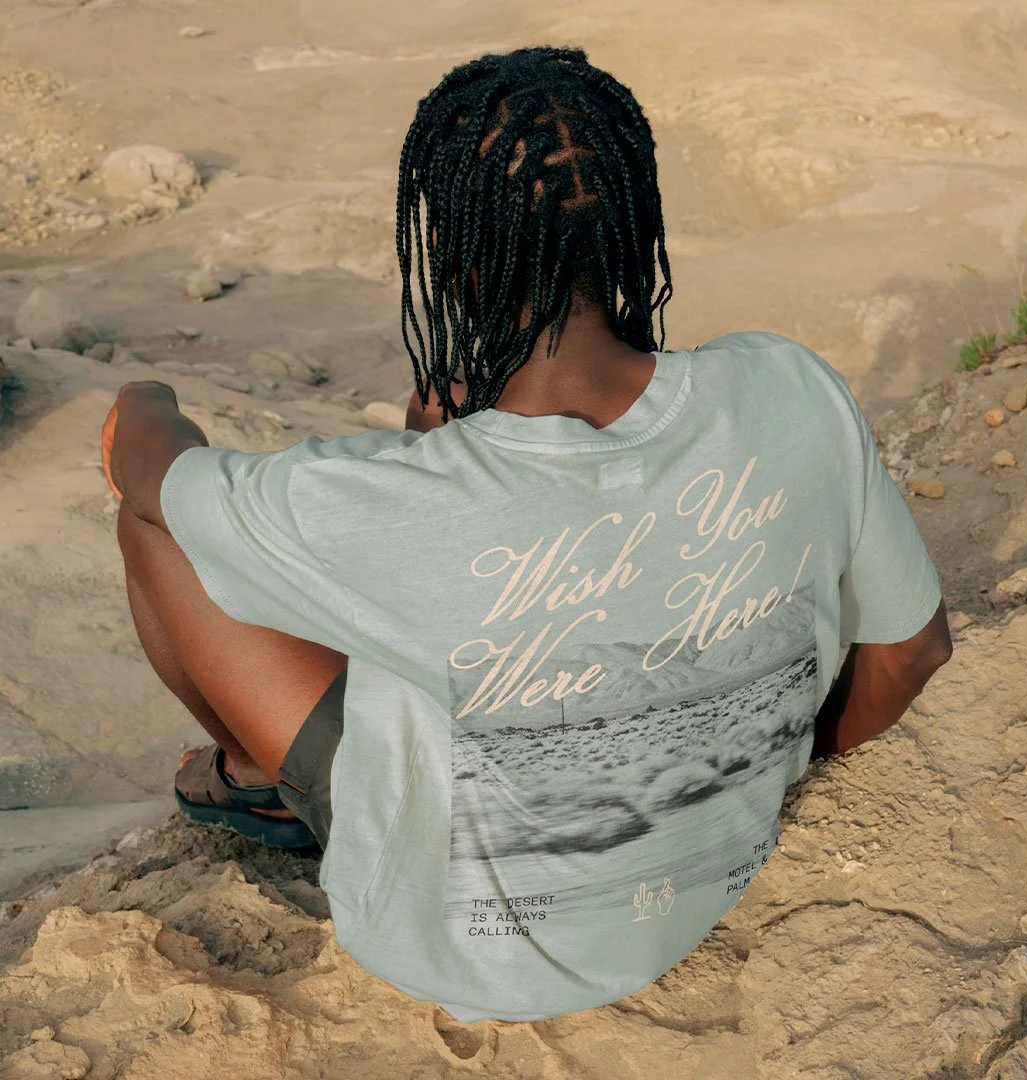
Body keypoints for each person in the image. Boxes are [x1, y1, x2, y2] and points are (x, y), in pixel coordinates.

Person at [101, 46, 952, 1023]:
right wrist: (767, 765)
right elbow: (914, 649)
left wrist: (146, 390)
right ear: (636, 228)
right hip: (702, 886)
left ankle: (258, 779)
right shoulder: (791, 386)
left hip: (470, 958)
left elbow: (149, 464)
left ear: (459, 260)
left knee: (159, 531)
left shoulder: (394, 497)